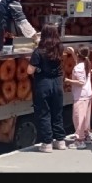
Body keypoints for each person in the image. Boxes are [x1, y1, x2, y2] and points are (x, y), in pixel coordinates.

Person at [27, 24, 66, 153]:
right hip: (58, 82)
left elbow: (29, 70)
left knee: (44, 113)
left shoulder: (38, 51)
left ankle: (47, 143)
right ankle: (60, 141)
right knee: (57, 112)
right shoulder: (60, 48)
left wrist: (37, 68)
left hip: (43, 83)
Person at [64, 46, 92, 149]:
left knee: (78, 118)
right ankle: (86, 135)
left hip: (80, 95)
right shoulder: (87, 62)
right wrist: (73, 53)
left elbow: (81, 82)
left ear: (78, 55)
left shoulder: (78, 68)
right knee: (85, 117)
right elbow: (79, 62)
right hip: (88, 94)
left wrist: (68, 81)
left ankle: (79, 140)